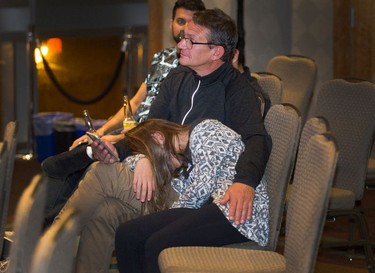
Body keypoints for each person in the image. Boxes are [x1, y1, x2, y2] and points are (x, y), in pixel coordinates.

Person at [41, 0, 206, 228]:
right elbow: (136, 102)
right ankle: (47, 227)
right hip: (132, 129)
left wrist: (121, 139)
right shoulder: (162, 58)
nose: (184, 28)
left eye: (191, 23)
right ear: (171, 24)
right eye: (180, 21)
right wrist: (100, 131)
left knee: (81, 161)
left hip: (150, 137)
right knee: (76, 154)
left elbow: (171, 124)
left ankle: (53, 231)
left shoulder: (194, 65)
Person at [114, 120, 268, 273]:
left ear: (158, 137)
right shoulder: (182, 163)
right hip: (211, 207)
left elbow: (201, 189)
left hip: (239, 212)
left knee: (156, 245)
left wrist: (165, 215)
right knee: (127, 234)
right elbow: (129, 162)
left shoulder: (206, 130)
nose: (160, 166)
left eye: (152, 156)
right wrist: (141, 161)